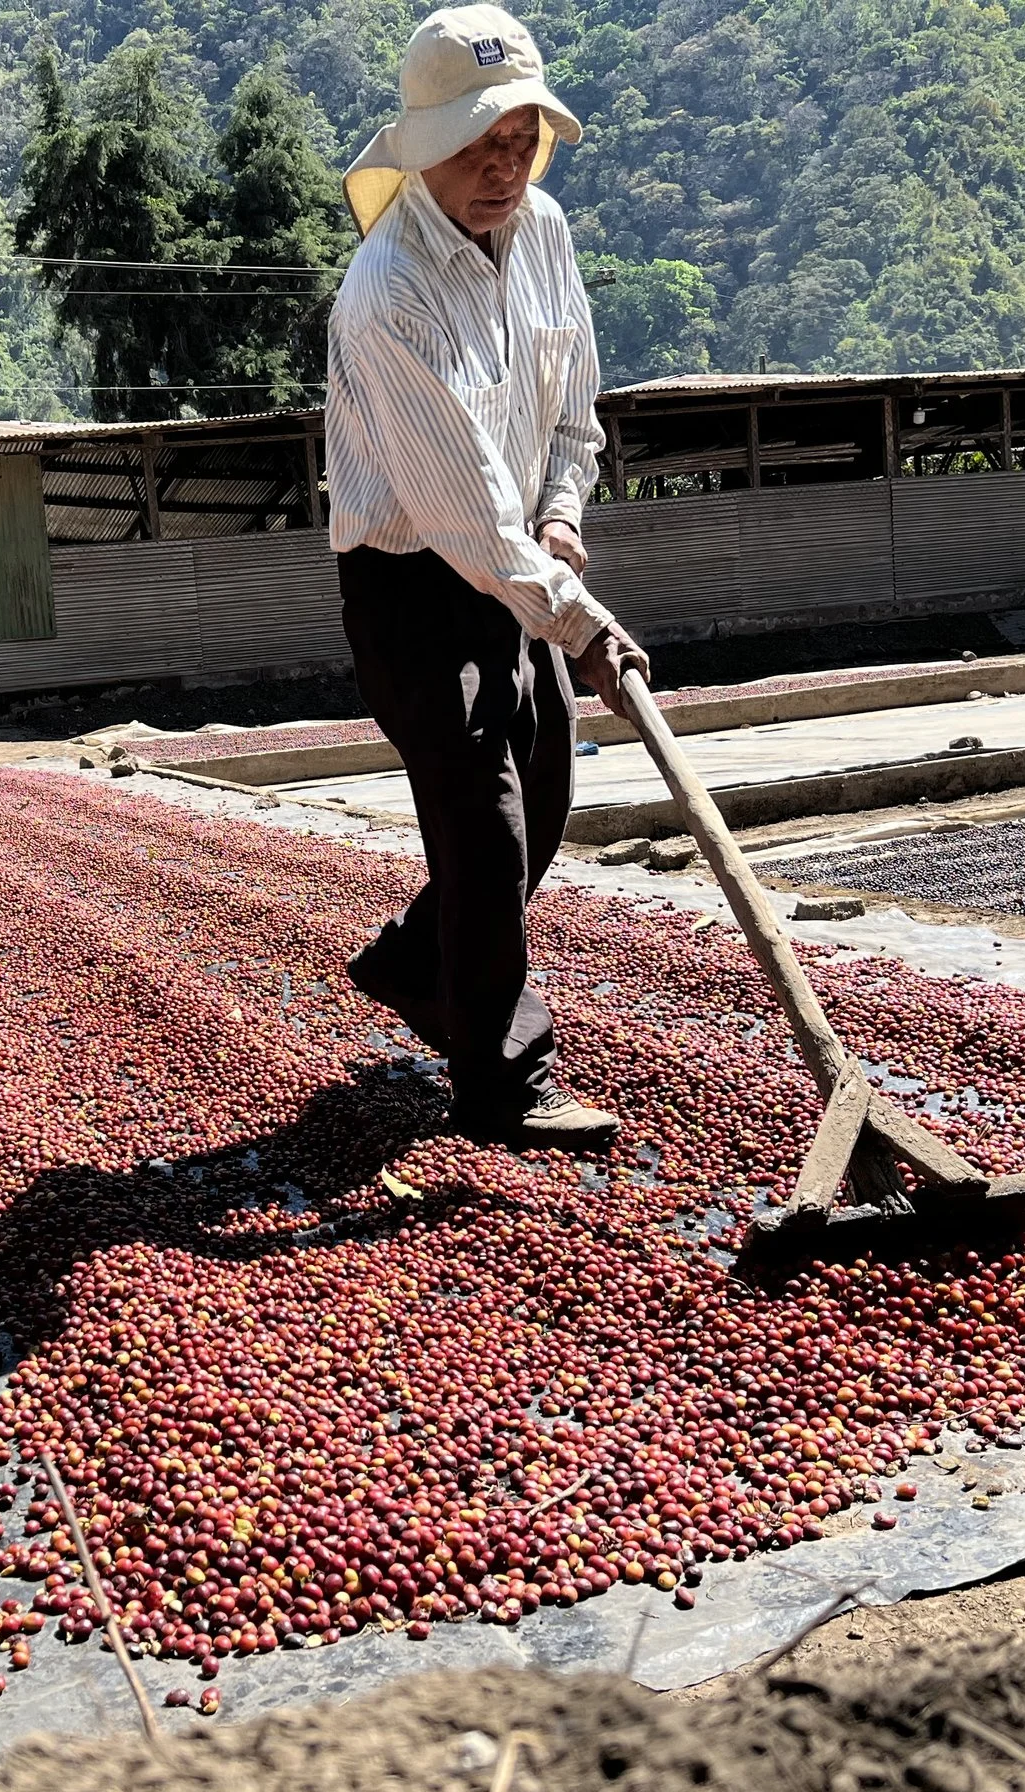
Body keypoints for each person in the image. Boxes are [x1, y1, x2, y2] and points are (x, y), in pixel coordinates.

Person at [326, 3, 650, 1150]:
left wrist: (563, 517)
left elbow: (573, 412)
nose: (503, 167)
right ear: (420, 148)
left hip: (515, 560)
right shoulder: (387, 295)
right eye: (478, 145)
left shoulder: (547, 231)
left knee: (548, 794)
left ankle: (424, 965)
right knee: (483, 815)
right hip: (412, 580)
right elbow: (459, 507)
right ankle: (501, 1081)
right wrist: (583, 622)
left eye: (520, 142)